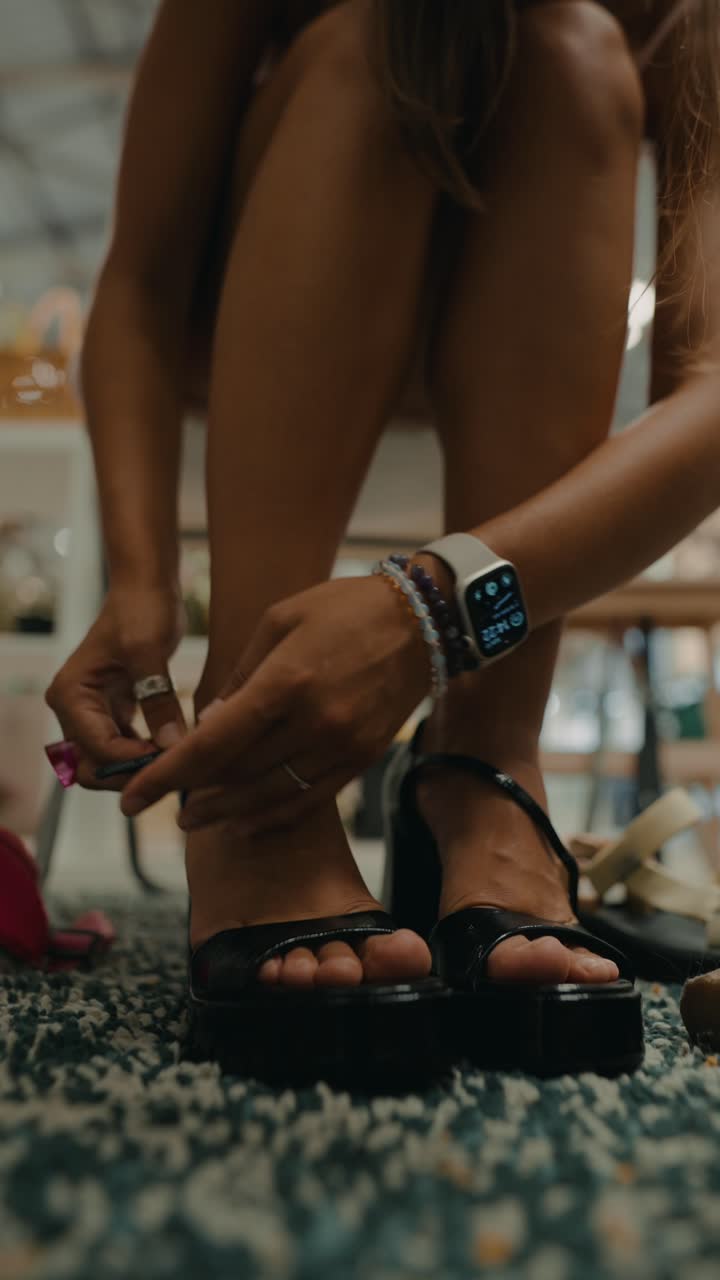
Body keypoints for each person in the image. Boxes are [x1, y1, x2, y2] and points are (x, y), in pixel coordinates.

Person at [45, 0, 720, 1078]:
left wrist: (435, 611)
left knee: (573, 53)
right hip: (275, 284)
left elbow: (714, 389)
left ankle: (490, 761)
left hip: (517, 301)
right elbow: (141, 283)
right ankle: (263, 774)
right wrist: (141, 581)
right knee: (383, 40)